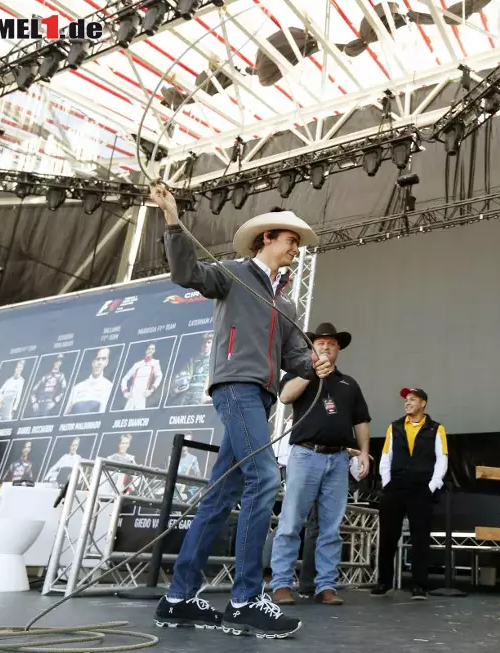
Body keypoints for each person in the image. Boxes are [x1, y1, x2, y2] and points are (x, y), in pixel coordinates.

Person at [148, 180, 331, 639]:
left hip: (260, 396)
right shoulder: (231, 274)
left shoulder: (284, 301)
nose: (295, 249)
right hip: (235, 388)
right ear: (266, 238)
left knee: (220, 495)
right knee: (265, 478)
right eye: (290, 241)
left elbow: (294, 359)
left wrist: (315, 361)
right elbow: (186, 274)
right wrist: (172, 218)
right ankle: (246, 600)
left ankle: (177, 600)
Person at [269, 322, 371, 606]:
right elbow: (285, 396)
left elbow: (361, 420)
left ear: (338, 349)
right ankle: (280, 584)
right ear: (312, 348)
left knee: (331, 527)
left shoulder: (348, 384)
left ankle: (325, 585)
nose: (326, 347)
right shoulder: (299, 373)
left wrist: (363, 452)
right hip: (305, 455)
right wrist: (311, 371)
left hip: (338, 458)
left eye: (331, 344)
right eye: (320, 343)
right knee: (291, 523)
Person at [373, 387, 448, 600]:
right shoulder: (394, 426)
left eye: (412, 399)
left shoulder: (436, 428)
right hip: (395, 487)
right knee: (388, 537)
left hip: (421, 489)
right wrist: (387, 483)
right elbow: (386, 455)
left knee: (420, 539)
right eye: (406, 400)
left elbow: (442, 459)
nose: (407, 403)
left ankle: (419, 586)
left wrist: (432, 486)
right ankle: (384, 583)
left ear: (423, 403)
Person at [65, 348, 113, 415]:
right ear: (92, 362)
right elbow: (66, 413)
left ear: (106, 362)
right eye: (97, 359)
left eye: (103, 359)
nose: (100, 362)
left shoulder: (109, 386)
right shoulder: (77, 387)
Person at [120, 344, 164, 410]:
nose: (150, 351)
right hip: (132, 396)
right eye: (149, 349)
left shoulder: (155, 363)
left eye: (152, 349)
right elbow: (125, 378)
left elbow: (159, 376)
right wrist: (125, 392)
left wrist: (151, 390)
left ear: (154, 351)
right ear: (145, 350)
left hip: (142, 395)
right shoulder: (137, 364)